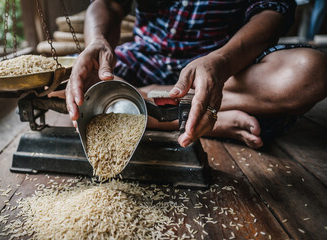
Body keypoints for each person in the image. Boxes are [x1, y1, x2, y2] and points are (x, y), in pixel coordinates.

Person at [65, 0, 327, 149]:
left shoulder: (223, 61)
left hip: (224, 63)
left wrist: (222, 61)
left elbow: (272, 10)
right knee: (67, 85)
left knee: (311, 72)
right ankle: (211, 120)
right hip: (146, 58)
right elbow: (109, 4)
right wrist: (96, 41)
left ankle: (141, 105)